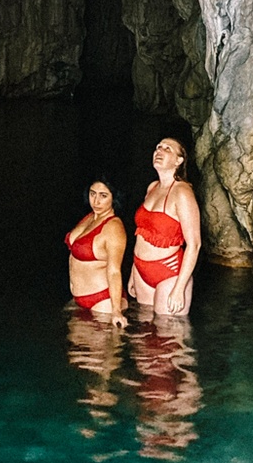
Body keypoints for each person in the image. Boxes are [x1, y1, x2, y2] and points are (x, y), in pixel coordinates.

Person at [128, 138, 201, 315]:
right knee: (143, 335)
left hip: (169, 273)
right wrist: (133, 271)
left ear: (179, 161)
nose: (159, 151)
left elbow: (194, 244)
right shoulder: (152, 187)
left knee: (167, 336)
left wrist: (179, 288)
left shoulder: (182, 192)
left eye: (167, 149)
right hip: (141, 269)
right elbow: (142, 233)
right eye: (158, 147)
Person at [65, 177, 128, 327]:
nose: (96, 201)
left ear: (114, 198)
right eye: (93, 194)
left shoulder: (113, 227)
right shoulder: (91, 217)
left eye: (103, 196)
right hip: (80, 299)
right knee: (76, 350)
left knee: (97, 351)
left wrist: (116, 311)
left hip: (103, 301)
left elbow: (114, 271)